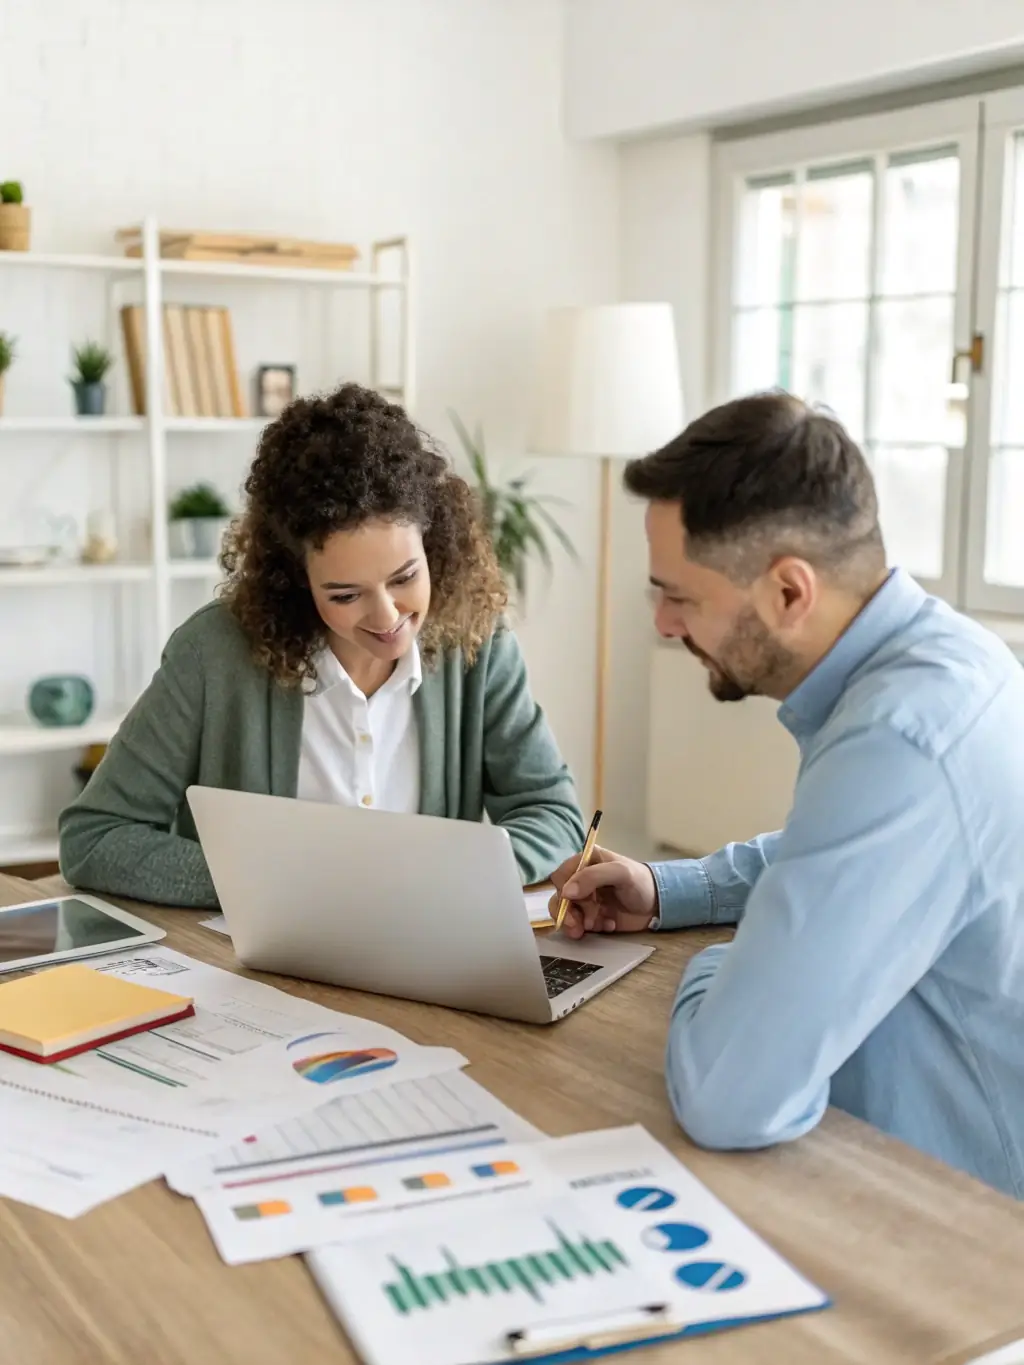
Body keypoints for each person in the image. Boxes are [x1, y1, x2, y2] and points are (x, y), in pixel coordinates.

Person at [551, 391, 1024, 1199]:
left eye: (679, 595)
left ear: (789, 593)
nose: (662, 623)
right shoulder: (951, 661)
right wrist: (668, 888)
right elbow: (836, 849)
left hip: (963, 1218)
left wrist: (745, 962)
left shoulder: (902, 743)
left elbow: (728, 1095)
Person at [60, 383, 584, 908]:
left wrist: (447, 877)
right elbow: (96, 837)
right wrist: (264, 884)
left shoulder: (478, 643)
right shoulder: (211, 654)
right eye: (346, 595)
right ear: (297, 580)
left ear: (433, 546)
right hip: (253, 956)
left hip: (427, 948)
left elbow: (553, 815)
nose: (388, 616)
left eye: (405, 577)